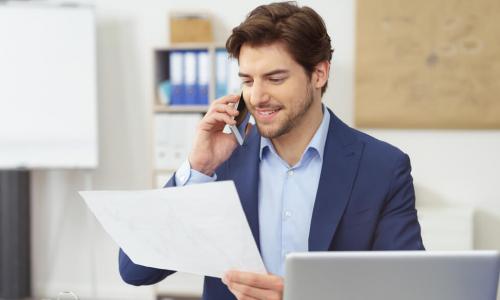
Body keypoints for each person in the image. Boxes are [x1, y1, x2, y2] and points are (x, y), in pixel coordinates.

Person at [119, 2, 425, 300]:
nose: (257, 96)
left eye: (275, 79)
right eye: (247, 80)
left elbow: (408, 289)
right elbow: (136, 270)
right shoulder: (222, 160)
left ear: (319, 73)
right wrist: (199, 168)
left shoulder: (382, 167)